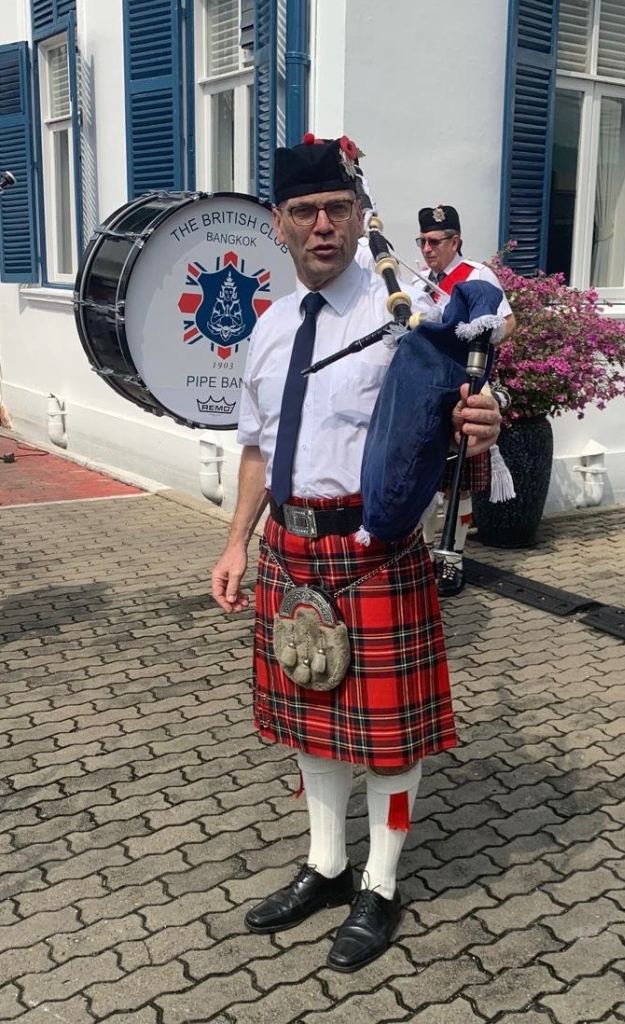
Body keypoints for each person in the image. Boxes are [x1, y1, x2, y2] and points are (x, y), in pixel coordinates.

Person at [211, 137, 501, 973]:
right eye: (304, 212)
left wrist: (484, 418)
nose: (323, 226)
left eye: (338, 209)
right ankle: (328, 864)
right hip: (288, 549)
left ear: (359, 215)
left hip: (375, 553)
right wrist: (235, 542)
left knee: (389, 739)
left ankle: (380, 881)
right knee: (311, 721)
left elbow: (470, 393)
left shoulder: (405, 309)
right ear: (279, 224)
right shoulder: (271, 328)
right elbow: (258, 449)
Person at [416, 204, 515, 596]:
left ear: (454, 241)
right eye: (422, 241)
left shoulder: (477, 275)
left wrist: (482, 335)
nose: (427, 249)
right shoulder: (420, 281)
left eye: (434, 241)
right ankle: (422, 556)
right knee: (424, 475)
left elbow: (508, 321)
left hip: (466, 383)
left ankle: (451, 560)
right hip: (428, 387)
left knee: (460, 483)